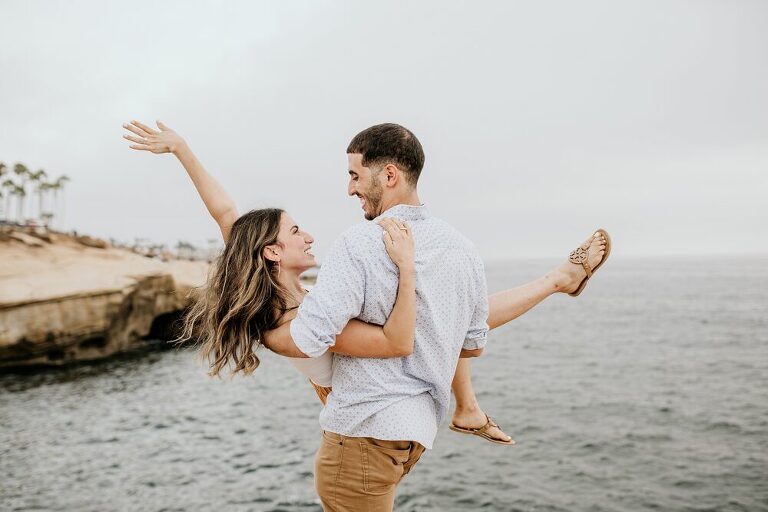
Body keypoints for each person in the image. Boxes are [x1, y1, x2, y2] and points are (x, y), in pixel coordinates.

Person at [122, 120, 610, 511]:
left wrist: (182, 149)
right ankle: (543, 302)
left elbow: (225, 211)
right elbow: (401, 341)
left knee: (449, 313)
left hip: (374, 434)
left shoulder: (289, 286)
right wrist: (406, 268)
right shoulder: (289, 326)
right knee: (439, 316)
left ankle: (547, 296)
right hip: (358, 433)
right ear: (272, 251)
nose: (309, 235)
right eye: (296, 231)